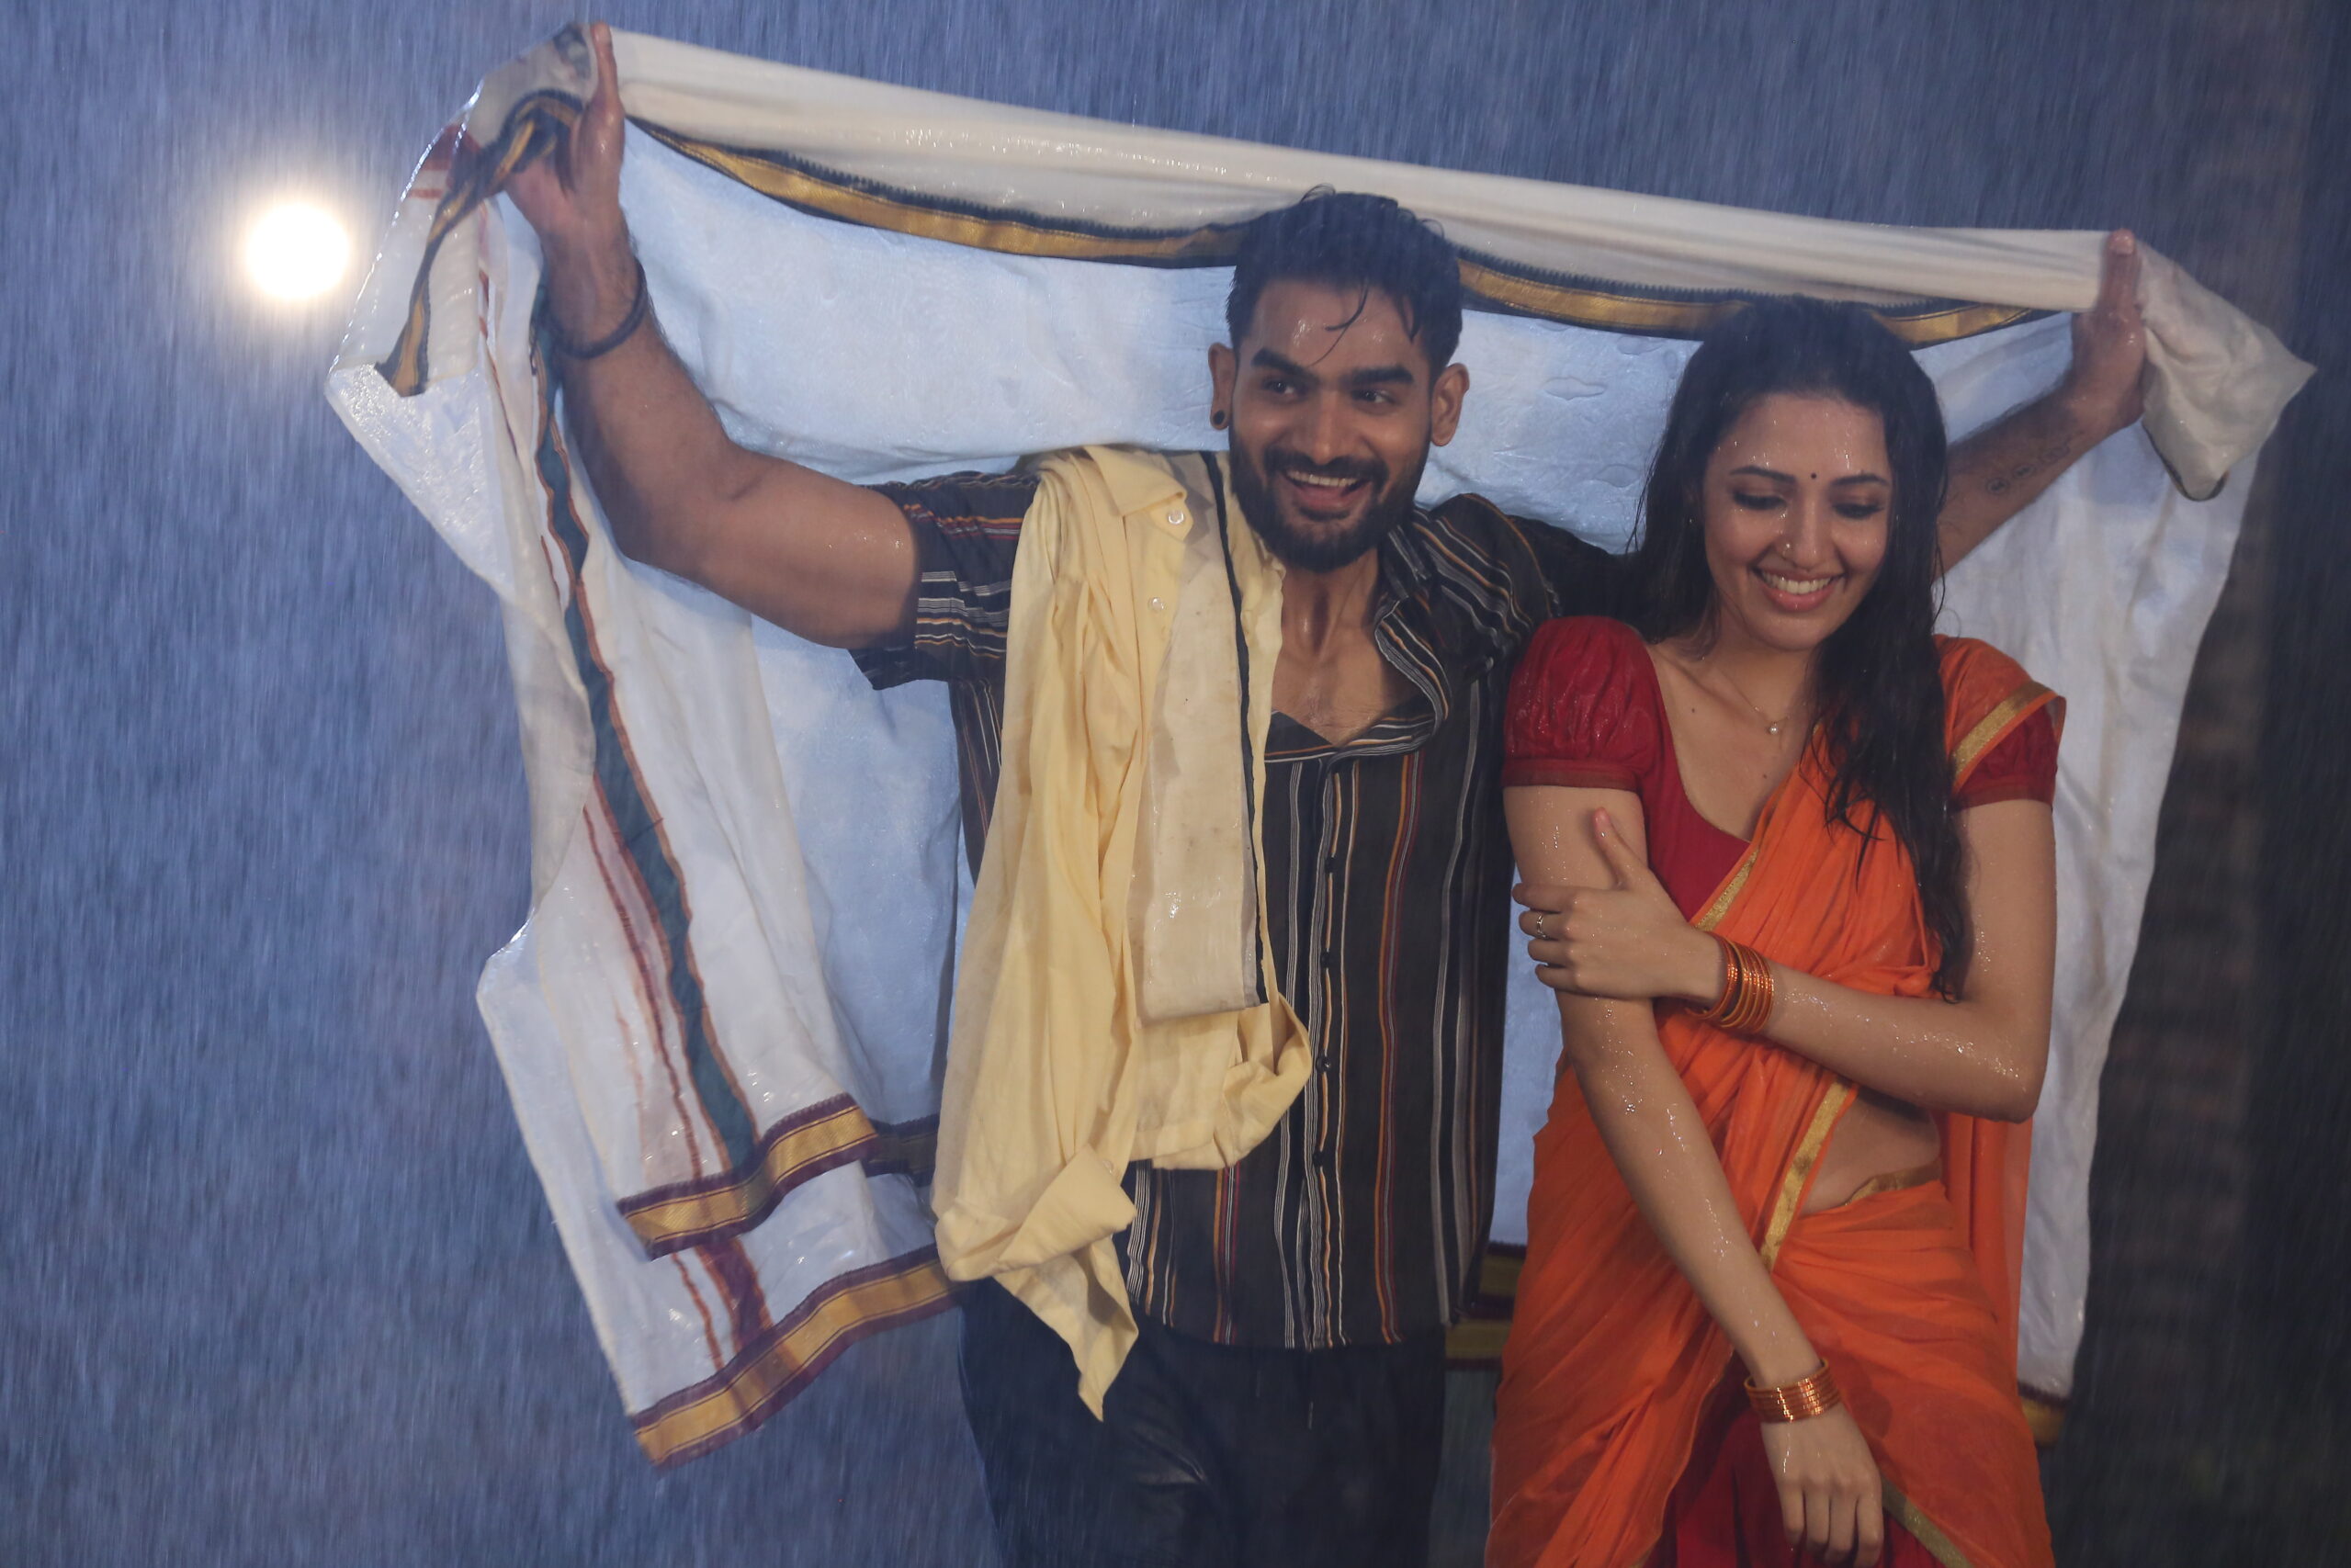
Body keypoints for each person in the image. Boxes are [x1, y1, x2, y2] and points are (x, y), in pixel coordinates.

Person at [510, 24, 2138, 1565]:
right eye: (1286, 384)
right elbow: (705, 514)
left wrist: (2068, 421)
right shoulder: (1068, 563)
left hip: (1375, 1334)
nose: (1325, 433)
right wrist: (593, 272)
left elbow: (1789, 582)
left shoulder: (1495, 598)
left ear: (1446, 408)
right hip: (1094, 1310)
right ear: (1223, 384)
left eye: (1376, 394)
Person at [1489, 297, 2065, 1568]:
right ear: (1692, 486)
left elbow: (2001, 1061)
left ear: (1902, 517)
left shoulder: (1962, 713)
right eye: (1761, 496)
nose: (1806, 547)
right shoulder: (1593, 684)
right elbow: (1621, 1062)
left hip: (1896, 1309)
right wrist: (1789, 1382)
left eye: (1856, 506)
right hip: (1640, 1289)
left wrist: (1715, 971)